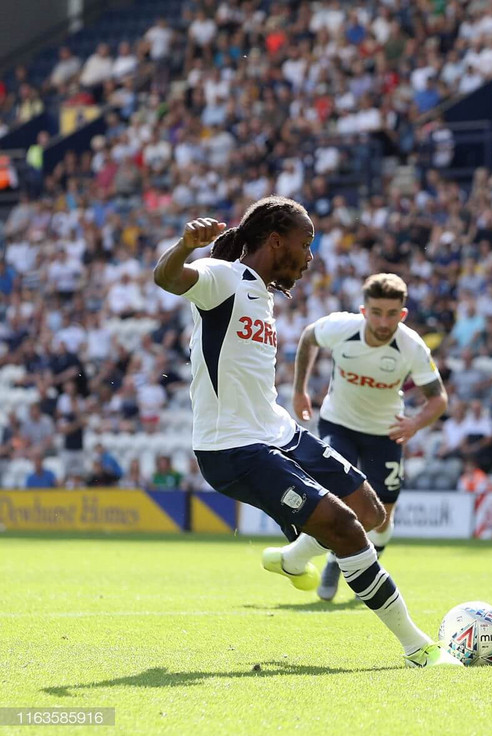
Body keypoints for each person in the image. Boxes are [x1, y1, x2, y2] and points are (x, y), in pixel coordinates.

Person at [152, 197, 460, 667]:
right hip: (234, 447)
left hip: (277, 430)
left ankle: (293, 558)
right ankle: (418, 648)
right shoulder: (222, 276)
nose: (311, 255)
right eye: (306, 242)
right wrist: (185, 245)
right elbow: (167, 278)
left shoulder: (262, 293)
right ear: (276, 241)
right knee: (343, 527)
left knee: (372, 511)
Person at [292, 273, 448, 602]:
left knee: (381, 516)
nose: (383, 321)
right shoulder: (341, 328)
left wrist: (415, 423)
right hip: (339, 424)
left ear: (402, 314)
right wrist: (300, 391)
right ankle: (337, 559)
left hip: (385, 433)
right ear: (364, 310)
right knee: (341, 495)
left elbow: (438, 399)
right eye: (376, 312)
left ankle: (349, 560)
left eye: (392, 314)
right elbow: (308, 338)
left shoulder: (412, 347)